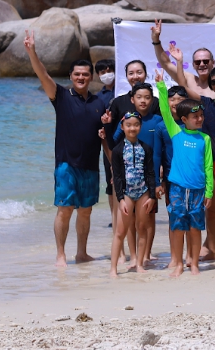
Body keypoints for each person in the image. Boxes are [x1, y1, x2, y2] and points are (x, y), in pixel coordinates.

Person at [23, 32, 108, 266]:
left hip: (91, 166)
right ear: (71, 76)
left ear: (91, 77)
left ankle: (81, 253)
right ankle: (60, 254)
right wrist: (32, 52)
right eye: (77, 74)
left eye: (85, 74)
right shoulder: (60, 95)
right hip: (66, 165)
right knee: (65, 209)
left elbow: (106, 134)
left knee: (85, 212)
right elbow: (43, 74)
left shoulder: (99, 102)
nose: (81, 78)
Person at [166, 45, 215, 262]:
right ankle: (213, 246)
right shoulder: (204, 104)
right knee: (211, 208)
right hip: (210, 161)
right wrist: (179, 61)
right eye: (214, 82)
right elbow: (183, 86)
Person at [155, 73, 212, 277]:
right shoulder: (175, 132)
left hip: (198, 191)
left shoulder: (205, 139)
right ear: (184, 119)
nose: (199, 119)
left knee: (195, 228)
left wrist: (210, 192)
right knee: (178, 227)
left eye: (201, 116)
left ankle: (194, 264)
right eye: (195, 117)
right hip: (178, 188)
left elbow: (209, 167)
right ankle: (178, 264)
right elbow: (164, 109)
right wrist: (161, 86)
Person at [103, 82, 164, 268]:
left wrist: (160, 177)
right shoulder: (126, 122)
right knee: (129, 223)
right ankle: (133, 256)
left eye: (147, 97)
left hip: (149, 180)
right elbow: (113, 146)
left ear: (152, 99)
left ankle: (146, 255)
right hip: (129, 183)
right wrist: (105, 128)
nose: (143, 101)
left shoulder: (157, 121)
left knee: (147, 220)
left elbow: (161, 148)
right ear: (132, 99)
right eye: (139, 97)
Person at [108, 112, 160, 277]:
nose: (132, 128)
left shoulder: (146, 148)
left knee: (142, 228)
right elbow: (116, 177)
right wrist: (121, 199)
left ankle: (139, 264)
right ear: (122, 127)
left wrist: (152, 196)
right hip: (127, 194)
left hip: (143, 192)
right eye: (128, 125)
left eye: (136, 125)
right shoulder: (117, 150)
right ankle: (113, 268)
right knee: (120, 232)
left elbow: (151, 173)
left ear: (140, 127)